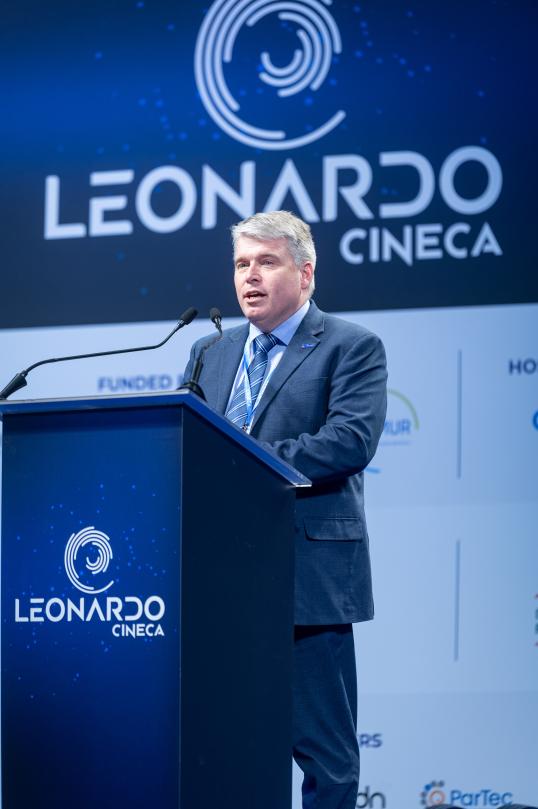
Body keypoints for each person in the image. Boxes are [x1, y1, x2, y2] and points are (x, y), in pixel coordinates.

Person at [183, 210, 387, 809]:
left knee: (326, 757)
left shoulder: (350, 346)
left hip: (308, 580)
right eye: (241, 264)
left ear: (306, 273)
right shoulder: (209, 351)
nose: (250, 276)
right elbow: (186, 444)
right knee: (224, 744)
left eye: (266, 262)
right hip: (220, 584)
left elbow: (349, 441)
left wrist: (240, 456)